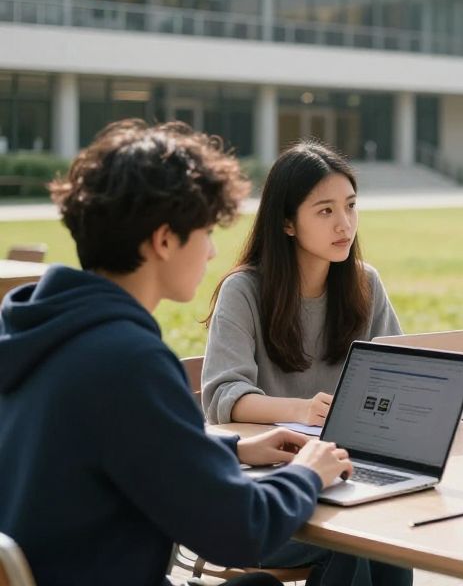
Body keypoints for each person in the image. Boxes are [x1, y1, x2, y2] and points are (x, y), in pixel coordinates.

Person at [0, 120, 351, 586]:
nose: (211, 252)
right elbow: (239, 529)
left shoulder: (40, 329)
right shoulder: (126, 361)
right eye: (206, 231)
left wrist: (233, 448)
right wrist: (308, 473)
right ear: (165, 240)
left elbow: (111, 445)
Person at [202, 140, 409, 586]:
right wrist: (301, 409)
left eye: (350, 206)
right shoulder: (244, 291)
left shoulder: (365, 284)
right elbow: (223, 398)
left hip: (344, 471)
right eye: (325, 211)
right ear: (287, 222)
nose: (344, 224)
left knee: (392, 535)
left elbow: (397, 372)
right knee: (353, 541)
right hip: (269, 492)